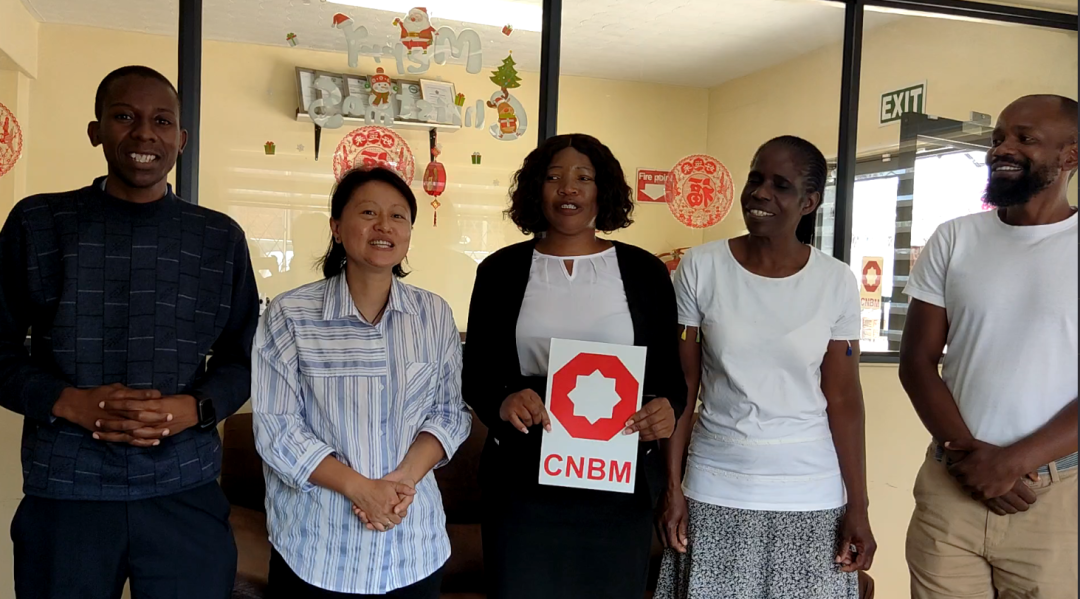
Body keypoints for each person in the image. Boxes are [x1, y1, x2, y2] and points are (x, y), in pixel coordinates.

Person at [0, 65, 258, 598]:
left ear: (181, 139)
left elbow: (245, 356)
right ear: (96, 131)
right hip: (66, 490)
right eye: (124, 117)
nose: (144, 134)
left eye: (161, 121)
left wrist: (195, 408)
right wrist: (68, 402)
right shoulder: (39, 222)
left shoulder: (218, 238)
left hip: (185, 488)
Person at [462, 133, 687, 599]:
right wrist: (503, 400)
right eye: (554, 177)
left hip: (617, 481)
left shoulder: (644, 272)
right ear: (535, 190)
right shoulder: (499, 271)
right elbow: (475, 372)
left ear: (603, 191)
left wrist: (667, 409)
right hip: (522, 481)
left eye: (584, 177)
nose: (568, 188)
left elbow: (671, 379)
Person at [655, 136, 876, 599]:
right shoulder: (701, 267)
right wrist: (672, 488)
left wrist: (859, 506)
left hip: (811, 493)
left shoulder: (835, 281)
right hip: (715, 485)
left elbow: (844, 399)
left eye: (780, 185)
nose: (760, 193)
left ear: (809, 202)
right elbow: (683, 387)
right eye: (755, 179)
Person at [252, 166, 472, 598]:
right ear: (336, 228)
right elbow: (277, 429)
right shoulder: (291, 314)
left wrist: (402, 480)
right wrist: (362, 490)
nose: (384, 226)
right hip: (317, 548)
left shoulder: (434, 315)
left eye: (398, 216)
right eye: (368, 212)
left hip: (413, 547)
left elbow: (449, 413)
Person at [901, 94, 1078, 599]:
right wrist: (970, 464)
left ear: (1071, 155)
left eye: (1025, 138)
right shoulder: (954, 238)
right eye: (998, 137)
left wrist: (1010, 463)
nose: (1002, 148)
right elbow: (917, 363)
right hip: (950, 489)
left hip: (1056, 499)